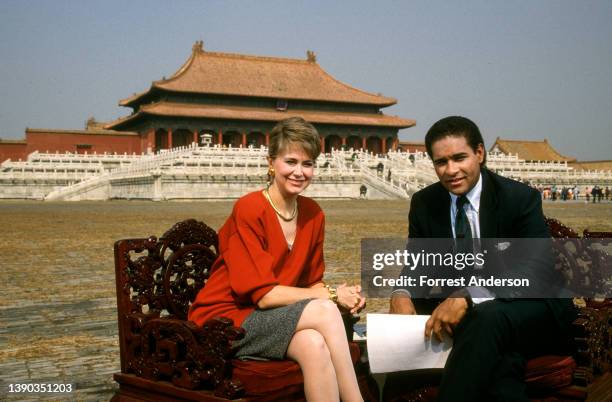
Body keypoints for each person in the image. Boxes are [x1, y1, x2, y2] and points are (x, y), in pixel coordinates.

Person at [388, 116, 576, 401]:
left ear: (479, 153)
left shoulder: (518, 198)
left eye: (459, 158)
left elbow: (535, 269)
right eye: (441, 162)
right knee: (502, 363)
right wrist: (401, 293)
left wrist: (469, 295)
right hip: (478, 322)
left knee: (488, 317)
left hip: (530, 307)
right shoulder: (425, 203)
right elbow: (417, 262)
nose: (451, 170)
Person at [189, 117, 366, 402]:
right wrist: (332, 295)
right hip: (227, 320)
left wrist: (342, 295)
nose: (299, 172)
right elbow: (264, 297)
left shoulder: (313, 213)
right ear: (271, 163)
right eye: (291, 161)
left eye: (307, 164)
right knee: (325, 309)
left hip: (272, 318)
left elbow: (311, 282)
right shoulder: (250, 208)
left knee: (314, 344)